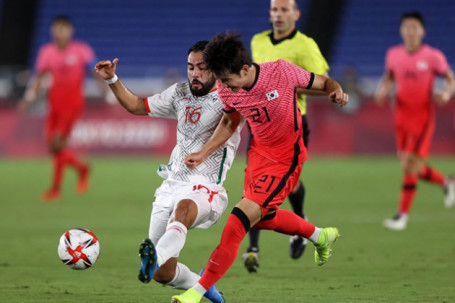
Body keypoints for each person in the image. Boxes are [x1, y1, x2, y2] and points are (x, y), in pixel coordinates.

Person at [171, 32, 348, 303]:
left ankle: (197, 292)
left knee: (237, 222)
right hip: (258, 157)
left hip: (286, 159)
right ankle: (320, 235)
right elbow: (230, 122)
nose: (225, 87)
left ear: (244, 69)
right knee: (264, 218)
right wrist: (203, 152)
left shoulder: (281, 72)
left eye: (228, 80)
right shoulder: (227, 87)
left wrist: (335, 90)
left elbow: (324, 82)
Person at [95, 41, 244, 303]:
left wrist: (203, 153)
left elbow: (231, 124)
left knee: (183, 211)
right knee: (162, 274)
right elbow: (136, 105)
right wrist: (112, 79)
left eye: (202, 67)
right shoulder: (179, 94)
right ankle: (203, 285)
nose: (195, 73)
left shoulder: (228, 97)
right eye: (190, 67)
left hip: (206, 188)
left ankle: (155, 255)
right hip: (171, 185)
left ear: (215, 69)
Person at [243, 0, 330, 272]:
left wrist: (286, 87)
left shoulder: (305, 45)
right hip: (260, 123)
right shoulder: (258, 41)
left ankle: (301, 222)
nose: (277, 15)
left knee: (287, 185)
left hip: (292, 123)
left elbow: (324, 81)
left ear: (296, 14)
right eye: (274, 10)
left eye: (283, 10)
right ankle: (253, 248)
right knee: (255, 181)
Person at [375, 11, 455, 231]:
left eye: (415, 27)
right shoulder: (393, 54)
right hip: (400, 117)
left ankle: (401, 217)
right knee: (412, 166)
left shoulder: (432, 56)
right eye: (407, 27)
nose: (411, 31)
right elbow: (389, 76)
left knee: (410, 166)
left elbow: (449, 77)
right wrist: (383, 89)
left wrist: (447, 94)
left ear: (422, 31)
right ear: (401, 30)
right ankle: (448, 183)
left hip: (422, 118)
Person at [18, 15, 111, 202]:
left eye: (64, 28)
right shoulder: (46, 52)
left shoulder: (81, 50)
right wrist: (28, 97)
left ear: (70, 31)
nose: (60, 32)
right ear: (52, 30)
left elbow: (97, 73)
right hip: (54, 105)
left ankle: (55, 189)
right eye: (57, 28)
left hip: (72, 105)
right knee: (53, 147)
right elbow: (39, 78)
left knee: (58, 143)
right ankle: (82, 169)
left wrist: (108, 95)